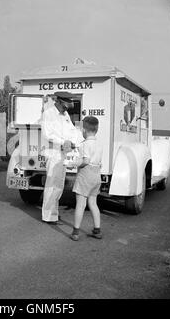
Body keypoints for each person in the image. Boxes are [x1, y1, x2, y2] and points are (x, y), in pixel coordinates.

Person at [41, 91, 80, 225]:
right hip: (53, 153)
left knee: (59, 185)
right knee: (52, 185)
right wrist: (64, 142)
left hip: (62, 153)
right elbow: (48, 135)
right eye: (65, 105)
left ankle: (53, 214)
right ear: (58, 101)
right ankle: (48, 216)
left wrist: (75, 141)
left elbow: (72, 130)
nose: (66, 108)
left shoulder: (65, 114)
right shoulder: (48, 114)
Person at [69, 116, 103, 240]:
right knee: (93, 203)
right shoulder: (99, 144)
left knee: (81, 204)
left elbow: (86, 161)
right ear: (97, 129)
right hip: (96, 175)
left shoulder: (84, 145)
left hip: (86, 174)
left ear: (84, 130)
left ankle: (76, 232)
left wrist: (73, 164)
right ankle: (97, 230)